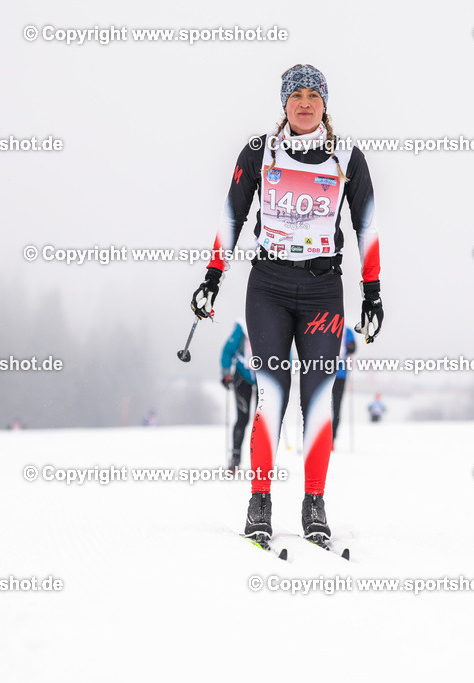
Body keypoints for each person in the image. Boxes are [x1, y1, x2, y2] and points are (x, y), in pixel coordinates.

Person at [190, 64, 383, 546]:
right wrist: (212, 278)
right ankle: (260, 501)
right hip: (269, 287)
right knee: (270, 393)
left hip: (323, 290)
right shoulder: (260, 152)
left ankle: (314, 503)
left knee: (318, 400)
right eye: (294, 94)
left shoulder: (348, 157)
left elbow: (368, 228)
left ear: (324, 103)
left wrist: (373, 291)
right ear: (283, 104)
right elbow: (232, 215)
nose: (303, 102)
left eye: (312, 95)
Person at [220, 319, 256, 471]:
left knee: (262, 421)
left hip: (266, 376)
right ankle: (235, 457)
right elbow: (228, 350)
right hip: (242, 376)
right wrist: (226, 373)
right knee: (243, 418)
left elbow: (284, 348)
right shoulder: (242, 327)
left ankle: (262, 460)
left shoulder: (273, 320)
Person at [331, 325, 356, 448]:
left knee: (336, 406)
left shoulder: (347, 331)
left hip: (340, 374)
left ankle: (332, 439)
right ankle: (321, 437)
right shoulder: (325, 326)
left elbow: (353, 348)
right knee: (324, 406)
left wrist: (349, 348)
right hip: (324, 372)